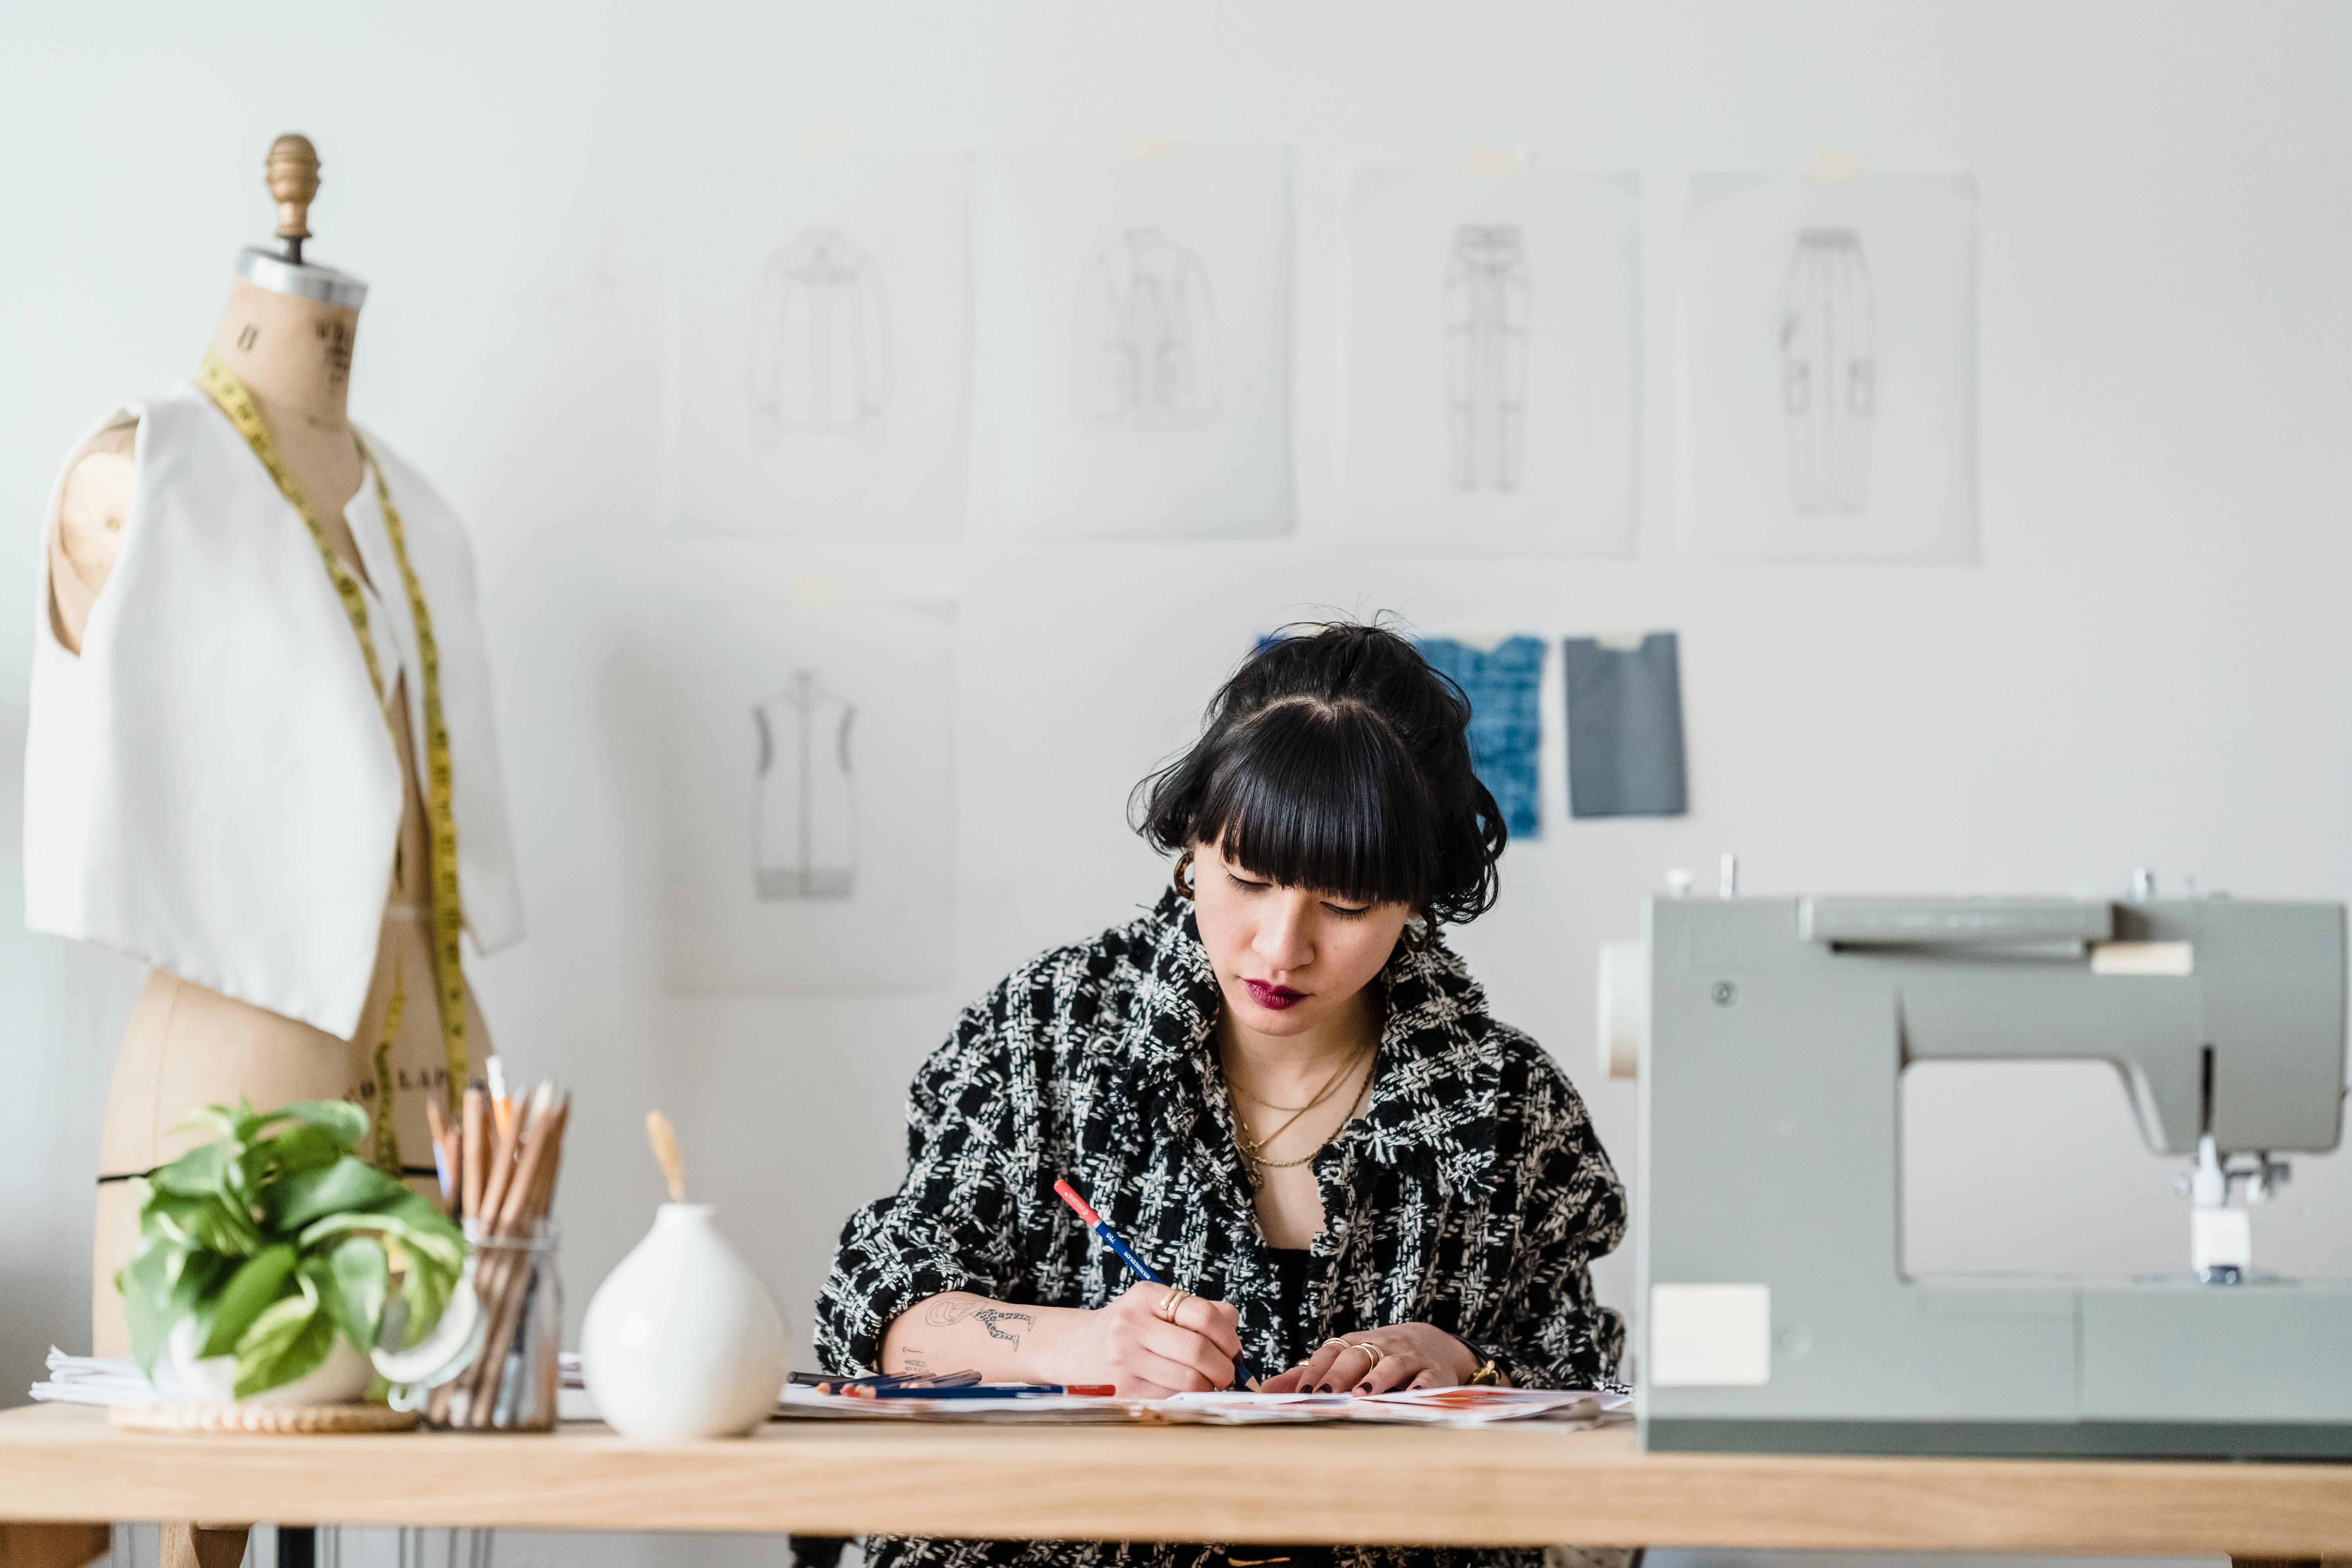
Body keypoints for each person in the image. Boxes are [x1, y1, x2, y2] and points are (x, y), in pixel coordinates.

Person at [816, 621, 1626, 1568]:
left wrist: (1465, 1366)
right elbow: (875, 1316)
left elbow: (1595, 1398)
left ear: (1418, 897)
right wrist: (1077, 1346)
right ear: (1190, 846)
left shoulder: (1506, 1101)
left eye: (1348, 904)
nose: (1282, 946)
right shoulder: (1052, 1029)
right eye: (1247, 879)